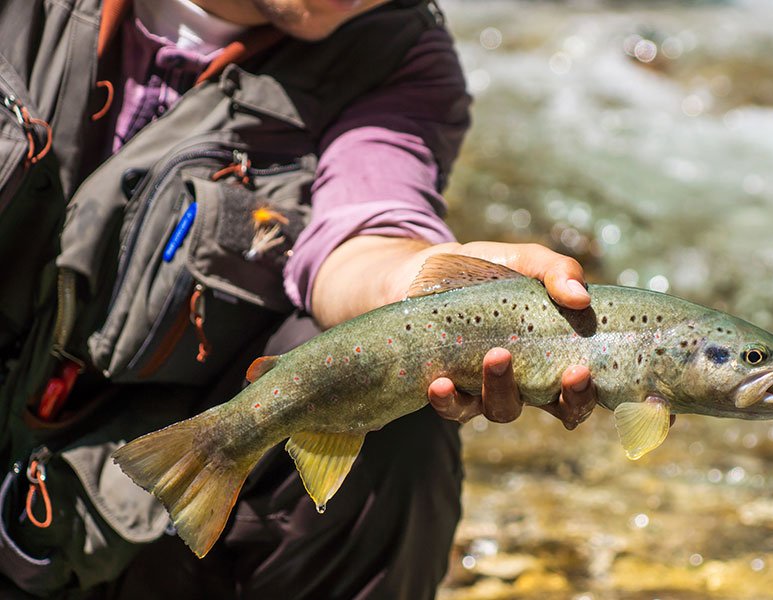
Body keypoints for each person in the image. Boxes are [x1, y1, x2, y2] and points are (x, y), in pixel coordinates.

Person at [0, 0, 595, 598]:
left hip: (131, 519)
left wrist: (425, 288)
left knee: (394, 407)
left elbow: (364, 234)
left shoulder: (397, 53)